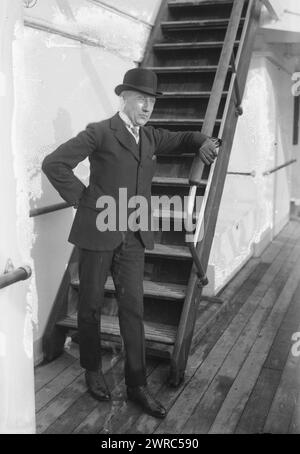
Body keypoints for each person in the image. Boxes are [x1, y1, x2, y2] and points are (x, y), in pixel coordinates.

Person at [42, 68, 218, 419]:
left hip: (133, 237)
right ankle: (92, 369)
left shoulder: (150, 137)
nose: (147, 107)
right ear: (124, 98)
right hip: (99, 232)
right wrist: (86, 201)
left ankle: (137, 384)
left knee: (133, 309)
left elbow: (184, 139)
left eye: (151, 101)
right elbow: (54, 164)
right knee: (90, 306)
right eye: (141, 99)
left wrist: (203, 141)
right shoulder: (100, 132)